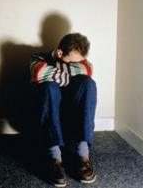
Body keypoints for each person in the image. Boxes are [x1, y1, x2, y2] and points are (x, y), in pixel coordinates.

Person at [30, 33, 97, 187]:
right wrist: (67, 75)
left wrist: (53, 73)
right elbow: (38, 72)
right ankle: (55, 158)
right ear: (59, 53)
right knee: (49, 87)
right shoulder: (37, 58)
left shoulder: (82, 61)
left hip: (70, 115)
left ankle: (83, 156)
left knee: (88, 83)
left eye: (77, 63)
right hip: (47, 115)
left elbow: (87, 70)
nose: (77, 65)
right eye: (71, 62)